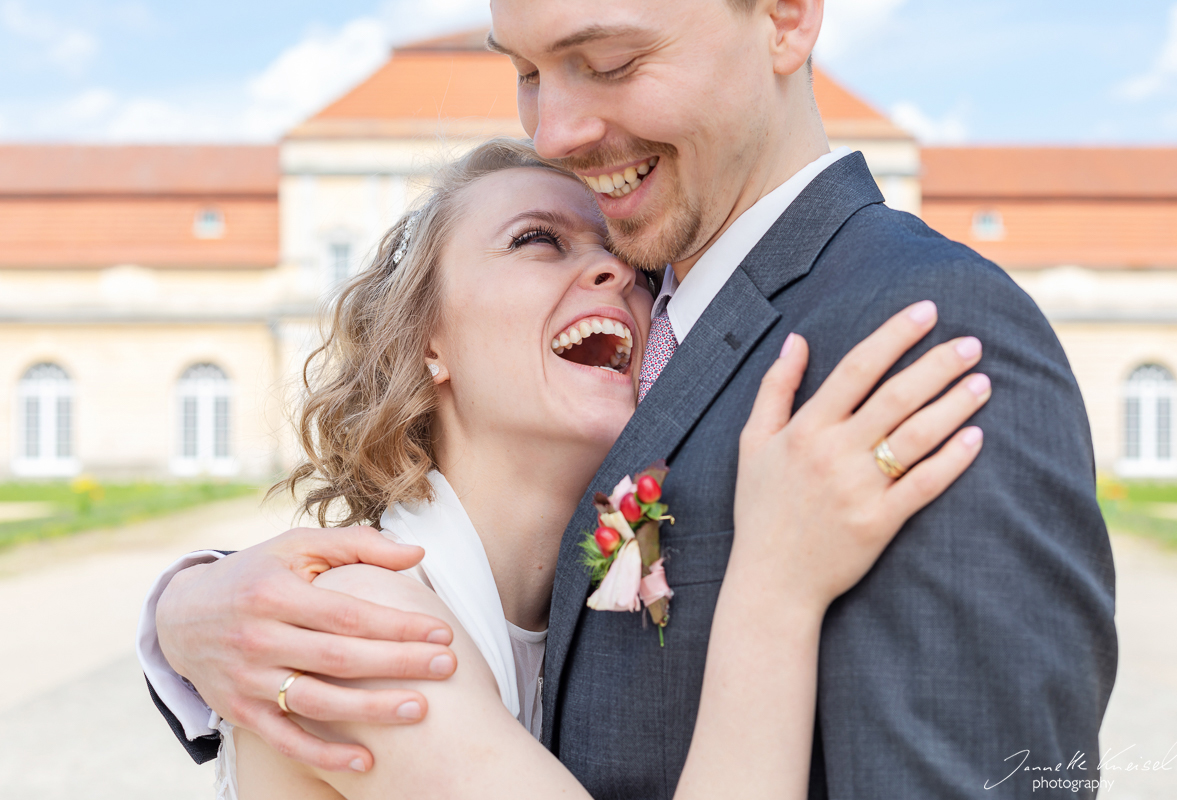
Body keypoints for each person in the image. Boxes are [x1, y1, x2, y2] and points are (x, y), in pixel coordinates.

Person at [141, 1, 1118, 797]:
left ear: (786, 16)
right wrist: (183, 609)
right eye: (525, 73)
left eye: (606, 61)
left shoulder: (917, 327)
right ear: (422, 336)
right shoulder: (372, 617)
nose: (553, 131)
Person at [218, 136, 987, 799]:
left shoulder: (591, 614)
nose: (616, 274)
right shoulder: (358, 627)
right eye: (537, 240)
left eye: (628, 261)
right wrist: (779, 584)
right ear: (427, 341)